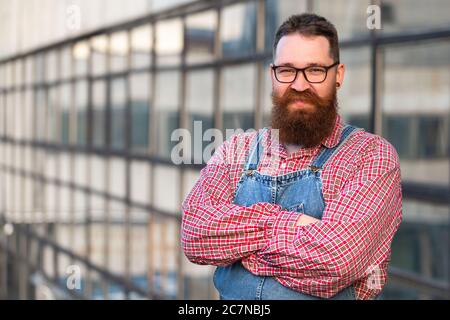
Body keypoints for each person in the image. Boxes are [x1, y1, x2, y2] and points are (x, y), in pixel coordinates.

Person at [181, 13, 402, 300]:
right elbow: (195, 235)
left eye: (315, 70)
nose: (299, 85)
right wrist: (289, 224)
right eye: (287, 70)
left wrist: (239, 249)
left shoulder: (370, 156)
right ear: (272, 74)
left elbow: (333, 261)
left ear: (339, 75)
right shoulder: (237, 149)